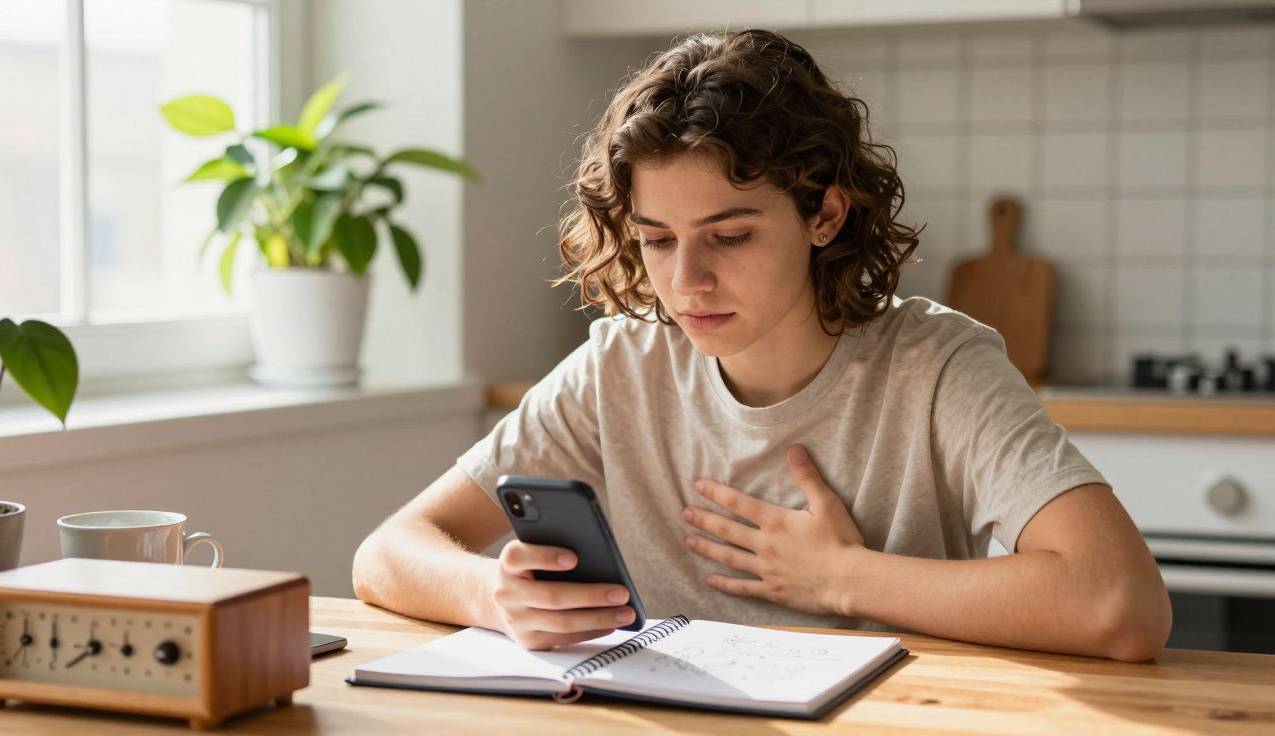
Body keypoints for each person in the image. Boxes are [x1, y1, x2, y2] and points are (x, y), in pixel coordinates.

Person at [353, 29, 1171, 661]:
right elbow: (388, 552)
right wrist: (494, 594)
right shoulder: (621, 366)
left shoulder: (938, 367)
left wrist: (842, 579)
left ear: (826, 215)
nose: (687, 283)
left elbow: (1119, 605)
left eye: (731, 235)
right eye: (659, 240)